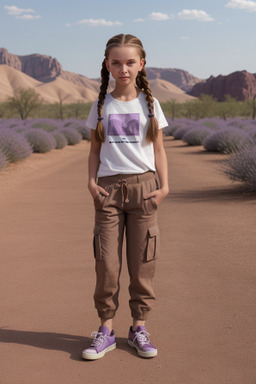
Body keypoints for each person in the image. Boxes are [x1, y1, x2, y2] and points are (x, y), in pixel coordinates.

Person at [82, 34, 169, 360]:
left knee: (143, 262)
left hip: (145, 190)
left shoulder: (151, 104)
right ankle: (105, 330)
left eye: (130, 62)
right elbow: (94, 150)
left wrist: (165, 186)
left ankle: (138, 328)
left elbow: (158, 150)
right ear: (107, 65)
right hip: (108, 192)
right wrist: (91, 183)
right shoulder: (101, 106)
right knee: (106, 262)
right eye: (116, 63)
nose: (123, 69)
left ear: (141, 64)